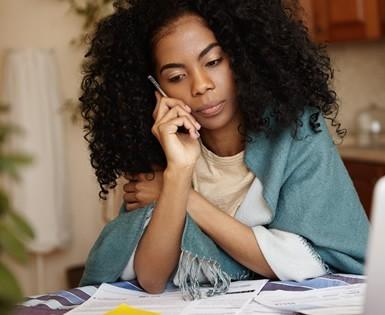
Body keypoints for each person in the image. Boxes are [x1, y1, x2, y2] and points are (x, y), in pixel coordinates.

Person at [79, 0, 369, 299]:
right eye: (177, 77)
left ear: (241, 57)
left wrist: (181, 197)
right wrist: (178, 172)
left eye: (214, 61)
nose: (201, 85)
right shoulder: (161, 148)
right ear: (155, 90)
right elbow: (152, 278)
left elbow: (307, 260)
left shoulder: (296, 129)